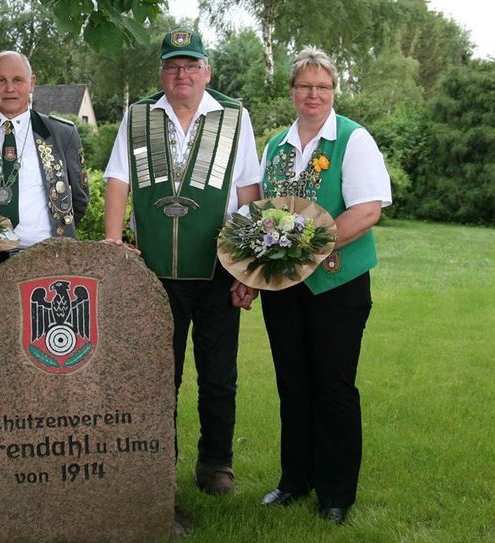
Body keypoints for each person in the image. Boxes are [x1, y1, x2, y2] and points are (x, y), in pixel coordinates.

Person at [103, 29, 261, 495]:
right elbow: (117, 179)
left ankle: (216, 464)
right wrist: (113, 242)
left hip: (219, 269)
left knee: (219, 376)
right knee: (156, 376)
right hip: (154, 272)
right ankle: (157, 464)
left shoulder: (235, 115)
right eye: (173, 66)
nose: (182, 75)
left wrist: (249, 268)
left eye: (191, 65)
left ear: (207, 71)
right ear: (161, 73)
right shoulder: (138, 115)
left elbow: (249, 192)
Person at [257, 46, 391, 524]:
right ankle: (295, 480)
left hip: (337, 284)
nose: (313, 94)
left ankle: (336, 494)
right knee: (292, 385)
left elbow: (368, 210)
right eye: (304, 86)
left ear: (333, 91)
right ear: (292, 91)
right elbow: (262, 212)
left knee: (333, 387)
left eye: (323, 86)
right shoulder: (276, 145)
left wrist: (308, 244)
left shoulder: (353, 139)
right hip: (283, 285)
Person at [0, 51, 89, 274]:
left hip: (46, 255)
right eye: (1, 80)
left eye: (18, 80)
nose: (10, 88)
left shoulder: (61, 133)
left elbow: (79, 199)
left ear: (32, 83)